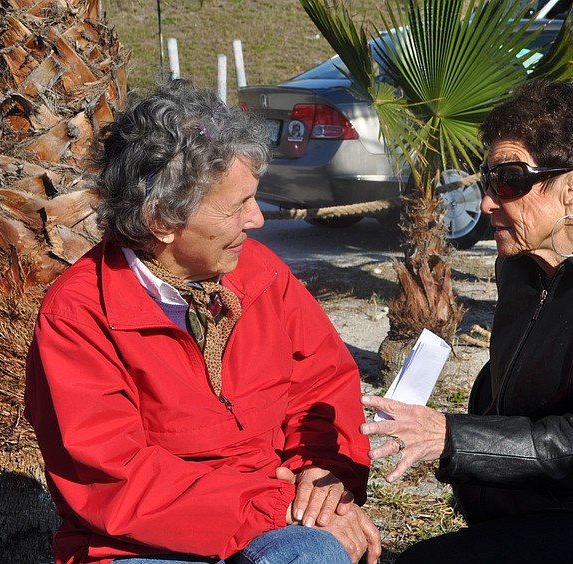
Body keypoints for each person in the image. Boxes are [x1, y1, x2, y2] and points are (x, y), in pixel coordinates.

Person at [25, 80, 380, 564]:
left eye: (254, 199)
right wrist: (276, 506)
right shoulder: (80, 316)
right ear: (162, 221)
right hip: (141, 547)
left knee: (311, 552)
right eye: (237, 207)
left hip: (272, 518)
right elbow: (115, 479)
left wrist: (321, 475)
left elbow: (322, 386)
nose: (257, 220)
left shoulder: (262, 275)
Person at [360, 79, 573, 563]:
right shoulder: (522, 265)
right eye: (488, 179)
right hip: (528, 507)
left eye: (509, 179)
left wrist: (450, 436)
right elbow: (509, 383)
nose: (487, 202)